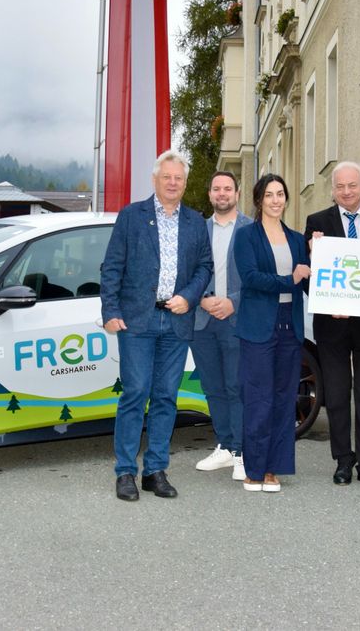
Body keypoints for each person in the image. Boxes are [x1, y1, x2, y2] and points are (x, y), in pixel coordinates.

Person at [100, 150, 213, 502]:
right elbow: (112, 266)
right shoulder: (132, 217)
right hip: (137, 319)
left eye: (179, 178)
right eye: (167, 177)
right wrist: (110, 310)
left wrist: (189, 297)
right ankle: (125, 473)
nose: (173, 183)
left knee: (166, 397)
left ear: (184, 182)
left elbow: (205, 267)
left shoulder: (195, 222)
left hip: (176, 318)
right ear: (155, 180)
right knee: (135, 394)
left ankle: (155, 471)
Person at [304, 161, 360, 488]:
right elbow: (307, 277)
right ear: (333, 190)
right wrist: (328, 299)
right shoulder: (317, 223)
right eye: (340, 186)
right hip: (332, 327)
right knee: (339, 395)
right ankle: (343, 461)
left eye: (352, 186)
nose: (346, 192)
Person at [233, 174, 310, 492]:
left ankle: (273, 469)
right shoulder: (246, 237)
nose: (276, 200)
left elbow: (305, 280)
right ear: (259, 200)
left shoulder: (296, 239)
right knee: (258, 399)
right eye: (269, 195)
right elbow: (251, 278)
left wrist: (321, 254)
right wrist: (288, 280)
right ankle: (254, 468)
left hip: (290, 326)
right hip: (258, 326)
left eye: (280, 194)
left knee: (283, 399)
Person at [192, 171, 252, 481]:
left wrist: (233, 301)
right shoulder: (198, 231)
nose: (222, 193)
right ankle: (226, 446)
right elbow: (186, 273)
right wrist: (201, 299)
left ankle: (242, 452)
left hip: (236, 319)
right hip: (203, 321)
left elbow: (258, 276)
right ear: (210, 195)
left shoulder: (251, 230)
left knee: (236, 387)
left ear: (237, 194)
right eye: (216, 189)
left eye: (227, 188)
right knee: (213, 388)